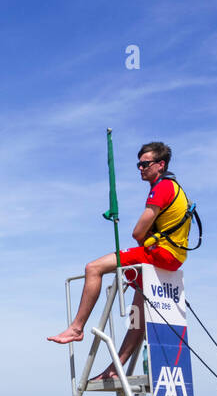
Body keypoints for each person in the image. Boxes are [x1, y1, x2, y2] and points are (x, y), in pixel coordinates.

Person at [49, 142, 195, 381]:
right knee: (137, 314)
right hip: (174, 259)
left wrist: (145, 243)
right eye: (139, 164)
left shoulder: (162, 188)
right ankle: (115, 369)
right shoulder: (175, 187)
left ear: (161, 165)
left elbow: (138, 233)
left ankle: (76, 328)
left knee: (93, 268)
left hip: (160, 255)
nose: (141, 168)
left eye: (145, 164)